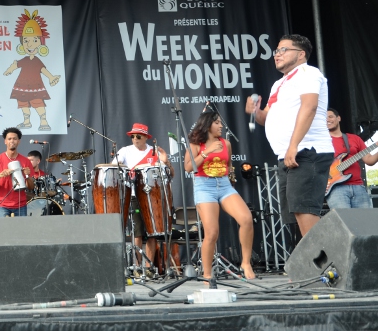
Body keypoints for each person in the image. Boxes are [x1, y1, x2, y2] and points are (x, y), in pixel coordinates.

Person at [245, 34, 334, 236]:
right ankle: (312, 265)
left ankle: (327, 265)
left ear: (301, 54)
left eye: (283, 50)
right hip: (289, 154)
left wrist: (294, 145)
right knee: (294, 217)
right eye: (276, 51)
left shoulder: (308, 73)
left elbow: (309, 107)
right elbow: (265, 117)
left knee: (305, 212)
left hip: (307, 151)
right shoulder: (279, 84)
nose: (277, 54)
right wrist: (256, 111)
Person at [185, 112, 256, 281]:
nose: (221, 126)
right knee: (212, 232)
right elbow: (188, 168)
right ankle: (207, 274)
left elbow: (229, 164)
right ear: (208, 125)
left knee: (246, 219)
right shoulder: (196, 144)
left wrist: (231, 179)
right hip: (204, 186)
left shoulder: (226, 143)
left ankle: (246, 263)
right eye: (217, 123)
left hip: (224, 185)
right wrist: (207, 152)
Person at [113, 122, 174, 271]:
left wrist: (167, 162)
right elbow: (114, 169)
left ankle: (148, 268)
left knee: (152, 233)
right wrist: (120, 167)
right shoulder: (125, 151)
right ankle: (137, 267)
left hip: (154, 198)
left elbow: (170, 175)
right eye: (132, 136)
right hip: (134, 196)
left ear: (146, 137)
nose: (135, 139)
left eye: (138, 136)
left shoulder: (155, 152)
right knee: (138, 233)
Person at [325, 108, 378, 209]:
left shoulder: (354, 139)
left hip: (358, 187)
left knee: (364, 221)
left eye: (330, 116)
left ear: (338, 118)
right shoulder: (322, 141)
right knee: (344, 222)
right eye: (324, 118)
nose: (327, 120)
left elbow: (369, 160)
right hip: (335, 188)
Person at [0, 128, 35, 217]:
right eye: (9, 139)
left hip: (21, 205)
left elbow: (31, 187)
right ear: (5, 141)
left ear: (19, 141)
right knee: (3, 231)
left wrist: (27, 175)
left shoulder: (25, 161)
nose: (12, 141)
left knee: (21, 231)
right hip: (2, 205)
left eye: (15, 139)